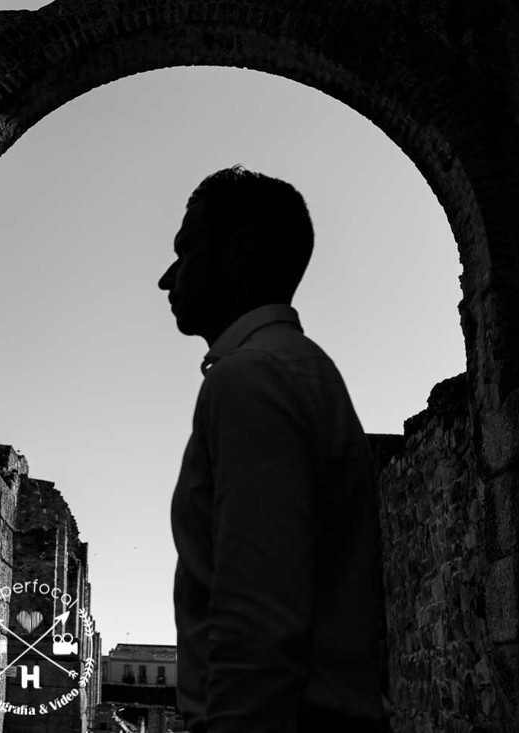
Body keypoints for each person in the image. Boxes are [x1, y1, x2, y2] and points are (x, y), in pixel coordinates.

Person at [158, 166, 386, 733]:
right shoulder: (295, 369)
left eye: (185, 250)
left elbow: (256, 617)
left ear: (240, 251)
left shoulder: (251, 378)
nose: (167, 277)